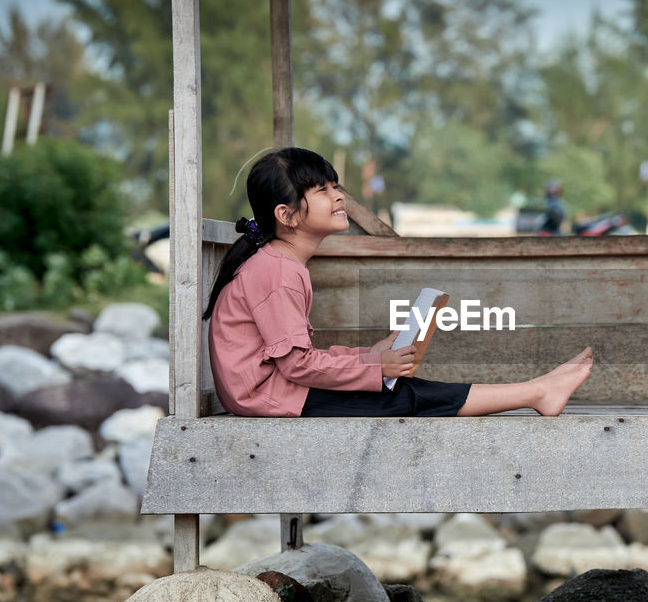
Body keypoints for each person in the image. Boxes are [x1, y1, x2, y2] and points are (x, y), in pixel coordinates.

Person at [203, 148, 593, 418]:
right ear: (287, 215)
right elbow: (296, 366)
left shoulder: (279, 264)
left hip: (273, 393)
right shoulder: (278, 270)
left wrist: (371, 358)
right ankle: (538, 392)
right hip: (270, 399)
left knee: (400, 389)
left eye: (334, 186)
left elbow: (295, 360)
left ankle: (540, 389)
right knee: (407, 395)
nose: (338, 196)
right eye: (322, 190)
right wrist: (375, 367)